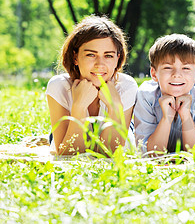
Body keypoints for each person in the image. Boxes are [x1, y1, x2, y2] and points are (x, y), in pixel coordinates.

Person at [46, 15, 138, 155]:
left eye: (108, 56)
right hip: (66, 132)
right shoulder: (58, 86)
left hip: (124, 125)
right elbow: (68, 154)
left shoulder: (126, 86)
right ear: (75, 57)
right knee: (56, 139)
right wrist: (78, 107)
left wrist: (115, 107)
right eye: (91, 55)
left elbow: (109, 155)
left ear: (117, 59)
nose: (100, 64)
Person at [134, 34, 195, 154]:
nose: (177, 74)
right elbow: (150, 154)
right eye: (168, 68)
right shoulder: (146, 95)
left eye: (186, 68)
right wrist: (166, 118)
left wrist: (186, 116)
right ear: (154, 73)